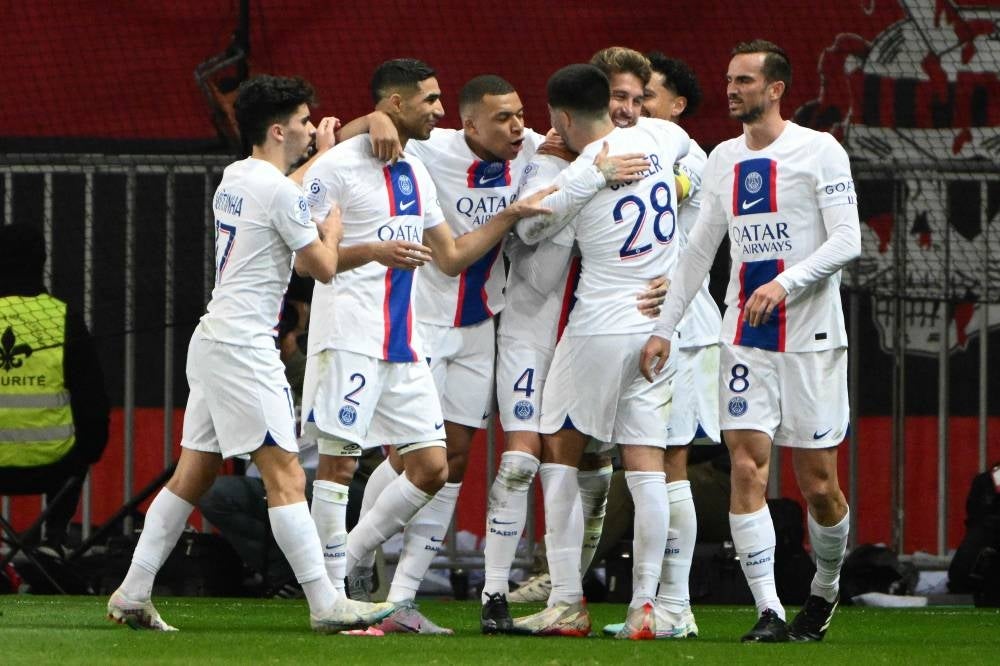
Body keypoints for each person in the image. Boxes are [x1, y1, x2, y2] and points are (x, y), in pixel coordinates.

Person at [107, 74, 393, 633]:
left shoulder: (238, 176)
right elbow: (323, 267)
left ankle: (132, 592)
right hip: (242, 348)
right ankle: (325, 604)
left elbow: (286, 189)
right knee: (286, 475)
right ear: (280, 129)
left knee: (192, 475)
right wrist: (334, 224)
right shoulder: (280, 191)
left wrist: (326, 163)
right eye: (307, 122)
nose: (313, 129)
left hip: (214, 341)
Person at [300, 59, 555, 635]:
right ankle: (332, 589)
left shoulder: (421, 165)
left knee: (440, 464)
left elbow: (451, 253)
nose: (518, 126)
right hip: (369, 332)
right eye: (430, 101)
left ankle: (372, 577)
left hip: (436, 333)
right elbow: (304, 234)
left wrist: (515, 211)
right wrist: (366, 121)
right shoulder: (423, 149)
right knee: (348, 463)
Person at [640, 39, 861, 643]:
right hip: (744, 336)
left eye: (744, 80)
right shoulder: (721, 159)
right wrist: (664, 329)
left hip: (812, 338)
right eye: (729, 79)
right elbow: (696, 255)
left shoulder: (819, 151)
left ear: (775, 89)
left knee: (820, 488)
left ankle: (826, 585)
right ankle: (768, 610)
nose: (732, 89)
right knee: (746, 467)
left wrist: (786, 284)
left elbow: (847, 241)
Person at [510, 63, 690, 639]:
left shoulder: (587, 167)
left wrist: (589, 176)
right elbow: (702, 170)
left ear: (561, 118)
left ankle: (566, 601)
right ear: (614, 105)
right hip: (657, 328)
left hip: (598, 326)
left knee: (558, 453)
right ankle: (647, 608)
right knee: (646, 464)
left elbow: (529, 229)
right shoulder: (662, 137)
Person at [602, 52, 722, 640]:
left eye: (649, 95)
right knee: (654, 464)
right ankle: (671, 607)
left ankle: (671, 604)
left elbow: (657, 194)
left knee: (670, 463)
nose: (638, 105)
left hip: (684, 326)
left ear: (675, 107)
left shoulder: (689, 157)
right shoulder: (643, 145)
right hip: (651, 324)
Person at [0, 223, 109, 556]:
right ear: (42, 260)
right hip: (55, 468)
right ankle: (54, 539)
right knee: (80, 446)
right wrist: (88, 452)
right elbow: (92, 401)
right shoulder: (63, 318)